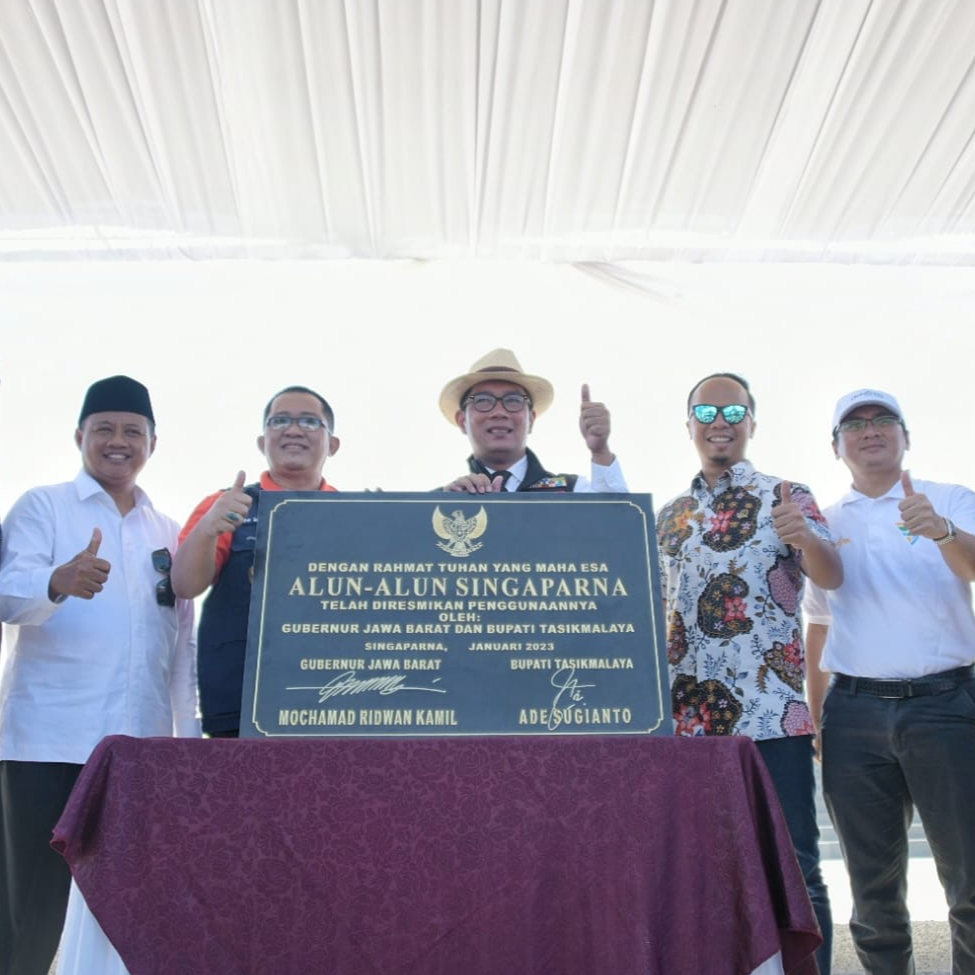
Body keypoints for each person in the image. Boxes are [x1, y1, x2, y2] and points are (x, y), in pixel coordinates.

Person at [0, 375, 199, 975]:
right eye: (104, 429)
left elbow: (181, 646)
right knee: (33, 912)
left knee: (128, 908)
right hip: (48, 742)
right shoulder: (44, 505)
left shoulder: (167, 531)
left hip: (136, 748)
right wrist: (55, 582)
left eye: (132, 432)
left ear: (153, 444)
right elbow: (7, 595)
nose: (118, 441)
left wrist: (186, 742)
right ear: (79, 437)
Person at [656, 372, 840, 975]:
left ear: (752, 423)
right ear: (689, 425)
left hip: (774, 717)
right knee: (705, 872)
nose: (720, 422)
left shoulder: (787, 494)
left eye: (733, 412)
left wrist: (806, 538)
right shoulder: (668, 516)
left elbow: (833, 576)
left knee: (797, 868)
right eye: (706, 411)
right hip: (688, 726)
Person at [804, 388, 975, 975]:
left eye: (883, 420)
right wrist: (817, 718)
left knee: (969, 882)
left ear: (906, 436)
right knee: (873, 893)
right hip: (854, 715)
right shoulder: (826, 522)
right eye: (854, 425)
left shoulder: (949, 499)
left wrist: (943, 531)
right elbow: (819, 626)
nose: (870, 430)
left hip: (947, 706)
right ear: (836, 447)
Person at [172, 385, 340, 738]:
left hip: (334, 698)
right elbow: (184, 585)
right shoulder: (226, 505)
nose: (293, 430)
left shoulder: (357, 513)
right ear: (263, 442)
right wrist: (209, 529)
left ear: (333, 444)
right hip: (241, 702)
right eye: (280, 421)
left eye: (310, 422)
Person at [439, 348, 627, 493]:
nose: (499, 412)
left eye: (513, 401)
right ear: (462, 420)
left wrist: (600, 451)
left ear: (531, 419)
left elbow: (618, 523)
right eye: (483, 401)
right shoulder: (441, 502)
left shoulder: (571, 490)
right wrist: (447, 504)